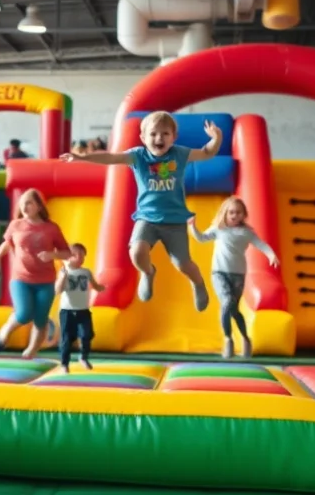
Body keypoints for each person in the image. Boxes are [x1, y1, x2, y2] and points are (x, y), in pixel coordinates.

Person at [60, 111, 221, 311]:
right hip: (147, 218)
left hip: (175, 220)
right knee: (136, 252)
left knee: (183, 264)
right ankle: (148, 273)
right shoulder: (138, 156)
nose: (159, 138)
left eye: (164, 134)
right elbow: (110, 157)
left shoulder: (179, 154)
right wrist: (80, 156)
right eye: (153, 134)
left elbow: (207, 153)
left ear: (173, 137)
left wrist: (216, 138)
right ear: (143, 138)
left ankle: (198, 284)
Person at [188, 196, 279, 359]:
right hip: (219, 273)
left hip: (238, 275)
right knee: (227, 301)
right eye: (231, 212)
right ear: (225, 213)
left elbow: (261, 244)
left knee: (234, 310)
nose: (234, 216)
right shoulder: (218, 229)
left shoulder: (246, 233)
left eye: (238, 213)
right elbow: (201, 238)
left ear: (244, 215)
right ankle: (228, 339)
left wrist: (271, 255)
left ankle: (245, 339)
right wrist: (192, 227)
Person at [0, 189, 71, 358]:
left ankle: (31, 351)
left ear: (39, 206)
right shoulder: (16, 225)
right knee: (24, 313)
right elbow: (7, 243)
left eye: (28, 203)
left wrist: (52, 255)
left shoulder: (51, 228)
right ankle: (5, 332)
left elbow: (67, 253)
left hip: (45, 281)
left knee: (41, 319)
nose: (24, 206)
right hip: (21, 278)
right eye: (22, 202)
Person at [54, 243, 105, 371]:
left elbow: (94, 285)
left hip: (83, 310)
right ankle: (64, 364)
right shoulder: (64, 271)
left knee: (86, 334)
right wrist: (63, 278)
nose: (80, 258)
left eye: (83, 256)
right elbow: (57, 290)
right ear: (68, 257)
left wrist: (101, 287)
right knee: (66, 338)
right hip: (67, 311)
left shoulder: (86, 272)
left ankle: (83, 357)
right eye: (76, 255)